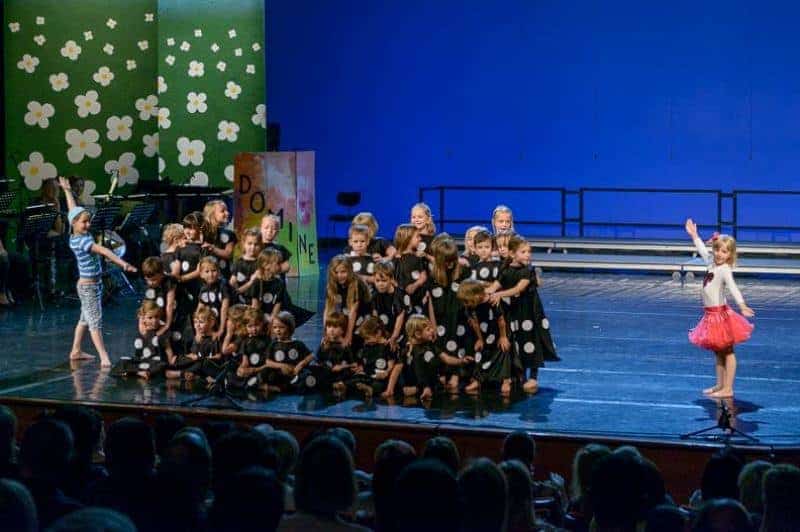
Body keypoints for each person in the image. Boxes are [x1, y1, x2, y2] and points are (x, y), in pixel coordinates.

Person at [58, 176, 137, 367]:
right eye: (84, 222)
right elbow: (104, 251)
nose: (88, 225)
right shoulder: (82, 241)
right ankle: (104, 356)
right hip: (89, 288)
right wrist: (123, 264)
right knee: (95, 322)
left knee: (84, 319)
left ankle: (76, 350)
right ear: (74, 224)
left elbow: (72, 210)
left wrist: (67, 191)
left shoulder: (76, 234)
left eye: (89, 221)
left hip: (93, 285)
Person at [685, 219, 755, 398]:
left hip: (721, 316)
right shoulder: (711, 263)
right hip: (710, 315)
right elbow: (702, 249)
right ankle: (720, 384)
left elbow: (733, 288)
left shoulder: (724, 269)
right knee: (718, 352)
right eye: (717, 250)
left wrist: (742, 305)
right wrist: (694, 235)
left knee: (728, 352)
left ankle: (728, 388)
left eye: (724, 252)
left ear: (730, 255)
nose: (719, 254)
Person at [490, 234, 559, 393]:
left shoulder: (527, 271)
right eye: (523, 252)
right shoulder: (506, 269)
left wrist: (499, 294)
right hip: (515, 310)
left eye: (529, 252)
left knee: (531, 340)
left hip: (530, 311)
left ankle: (533, 376)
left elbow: (518, 289)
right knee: (518, 339)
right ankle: (520, 374)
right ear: (512, 253)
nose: (528, 255)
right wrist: (483, 292)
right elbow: (495, 285)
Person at [427, 236, 472, 392]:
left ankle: (456, 374)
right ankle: (442, 372)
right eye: (447, 260)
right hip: (440, 317)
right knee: (440, 342)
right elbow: (430, 301)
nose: (451, 264)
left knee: (459, 341)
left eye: (453, 259)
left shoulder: (463, 271)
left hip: (459, 316)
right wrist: (432, 324)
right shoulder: (432, 275)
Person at [457, 279, 515, 395]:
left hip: (500, 329)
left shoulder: (492, 300)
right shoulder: (470, 305)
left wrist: (503, 337)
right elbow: (474, 322)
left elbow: (501, 320)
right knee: (480, 350)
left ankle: (506, 380)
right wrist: (480, 339)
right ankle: (478, 379)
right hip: (484, 329)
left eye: (467, 301)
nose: (465, 304)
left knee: (503, 348)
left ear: (477, 295)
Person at [112, 300, 171, 380]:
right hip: (141, 361)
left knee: (162, 365)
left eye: (156, 317)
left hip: (155, 361)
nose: (154, 321)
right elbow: (141, 318)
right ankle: (138, 372)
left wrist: (171, 361)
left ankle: (137, 372)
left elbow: (168, 348)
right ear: (143, 318)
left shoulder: (162, 331)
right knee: (122, 361)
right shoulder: (143, 330)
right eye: (150, 318)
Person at [324, 255, 372, 348]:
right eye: (336, 272)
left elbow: (353, 312)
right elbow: (328, 309)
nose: (339, 275)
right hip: (347, 315)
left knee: (353, 342)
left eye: (343, 272)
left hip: (362, 317)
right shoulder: (332, 283)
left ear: (349, 271)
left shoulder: (357, 283)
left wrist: (348, 336)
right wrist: (326, 333)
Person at [242, 248, 286, 323]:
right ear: (266, 265)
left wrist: (272, 320)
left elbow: (277, 304)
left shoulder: (280, 283)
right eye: (278, 263)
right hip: (257, 315)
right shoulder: (257, 282)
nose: (281, 266)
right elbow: (255, 307)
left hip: (271, 317)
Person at [393, 224, 428, 316]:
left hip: (417, 300)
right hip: (401, 300)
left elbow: (423, 276)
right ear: (407, 239)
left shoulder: (417, 257)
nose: (420, 239)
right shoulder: (395, 259)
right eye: (417, 236)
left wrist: (415, 285)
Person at [196, 256, 232, 340]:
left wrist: (221, 329)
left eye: (214, 270)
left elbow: (224, 308)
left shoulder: (223, 285)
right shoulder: (204, 289)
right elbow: (199, 310)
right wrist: (198, 332)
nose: (211, 274)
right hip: (214, 320)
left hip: (226, 319)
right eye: (207, 271)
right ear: (201, 274)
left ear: (219, 271)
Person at [201, 199, 237, 278]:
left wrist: (213, 248)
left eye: (227, 210)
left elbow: (228, 254)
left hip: (223, 275)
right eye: (222, 211)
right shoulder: (202, 232)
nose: (227, 213)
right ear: (212, 214)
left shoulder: (229, 234)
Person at [230, 227, 262, 304]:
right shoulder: (238, 262)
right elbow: (233, 282)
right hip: (240, 298)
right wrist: (233, 282)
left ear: (260, 245)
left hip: (256, 301)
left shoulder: (260, 263)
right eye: (249, 243)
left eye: (256, 244)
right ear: (244, 244)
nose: (253, 247)